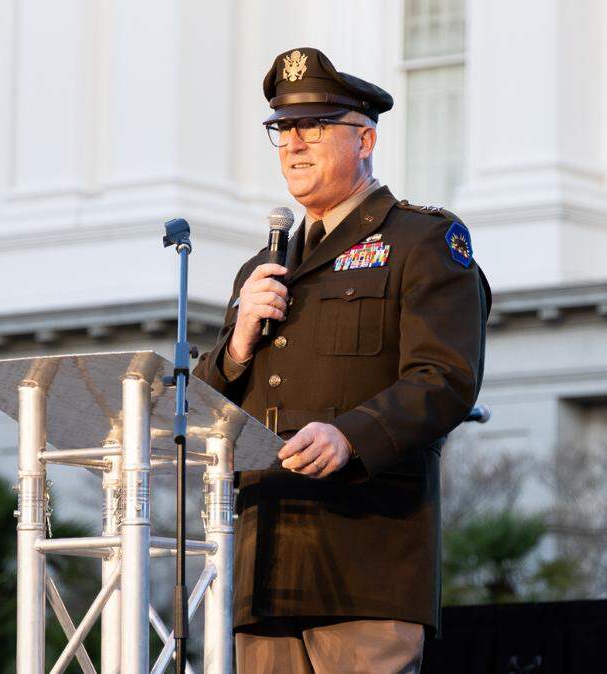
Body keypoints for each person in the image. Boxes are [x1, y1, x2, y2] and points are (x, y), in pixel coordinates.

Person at [193, 46, 491, 673]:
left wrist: (351, 436)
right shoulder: (262, 268)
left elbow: (444, 379)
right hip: (264, 565)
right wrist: (239, 342)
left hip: (366, 557)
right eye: (283, 129)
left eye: (315, 127)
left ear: (365, 138)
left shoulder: (422, 240)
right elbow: (202, 413)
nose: (294, 145)